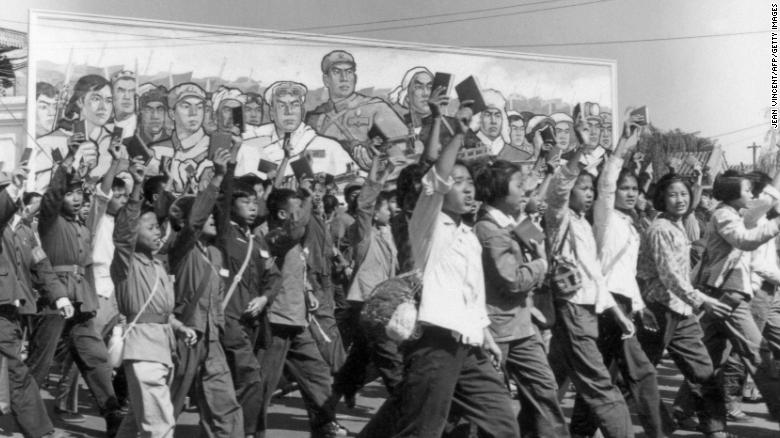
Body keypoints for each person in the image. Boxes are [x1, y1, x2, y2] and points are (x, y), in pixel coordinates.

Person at [361, 110, 519, 438]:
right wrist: (457, 137)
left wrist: (486, 336)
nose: (468, 189)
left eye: (470, 183)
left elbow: (470, 294)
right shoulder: (427, 224)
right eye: (457, 183)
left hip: (469, 344)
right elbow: (434, 180)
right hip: (435, 342)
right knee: (421, 430)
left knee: (502, 423)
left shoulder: (467, 232)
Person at [569, 115, 666, 438]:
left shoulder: (630, 223)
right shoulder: (604, 217)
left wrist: (639, 306)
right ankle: (657, 432)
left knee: (602, 380)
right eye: (624, 188)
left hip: (623, 304)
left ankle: (580, 432)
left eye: (634, 188)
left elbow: (627, 274)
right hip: (605, 305)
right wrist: (623, 146)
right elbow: (607, 183)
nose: (628, 193)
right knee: (643, 376)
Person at [543, 122, 635, 438]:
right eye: (583, 188)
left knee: (548, 385)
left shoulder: (585, 224)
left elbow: (595, 277)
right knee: (601, 387)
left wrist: (618, 314)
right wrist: (579, 154)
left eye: (590, 189)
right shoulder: (560, 219)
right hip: (571, 309)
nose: (589, 193)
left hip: (585, 312)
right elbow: (558, 190)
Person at [33, 142, 124, 436]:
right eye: (70, 193)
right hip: (54, 298)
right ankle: (26, 410)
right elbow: (52, 195)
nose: (74, 198)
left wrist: (113, 165)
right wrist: (69, 160)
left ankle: (111, 411)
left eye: (78, 193)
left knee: (95, 356)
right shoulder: (50, 221)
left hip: (82, 300)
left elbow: (100, 198)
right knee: (41, 361)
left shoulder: (84, 226)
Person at [473, 159, 569, 437]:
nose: (526, 189)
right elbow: (513, 279)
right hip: (497, 329)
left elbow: (544, 249)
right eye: (519, 184)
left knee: (544, 389)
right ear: (500, 191)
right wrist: (539, 265)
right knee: (489, 404)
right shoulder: (489, 230)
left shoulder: (514, 221)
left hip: (523, 325)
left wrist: (541, 256)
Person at [636, 173, 733, 438]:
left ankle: (715, 430)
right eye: (672, 194)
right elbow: (670, 276)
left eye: (684, 194)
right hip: (657, 310)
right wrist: (702, 300)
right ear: (661, 198)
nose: (679, 200)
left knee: (703, 371)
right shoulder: (659, 229)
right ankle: (593, 424)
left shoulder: (678, 224)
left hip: (681, 310)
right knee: (637, 377)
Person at [690, 170, 780, 425]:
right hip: (728, 294)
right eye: (747, 191)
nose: (752, 195)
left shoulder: (738, 213)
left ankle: (682, 411)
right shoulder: (723, 215)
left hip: (729, 293)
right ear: (732, 196)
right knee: (758, 355)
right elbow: (744, 241)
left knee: (708, 356)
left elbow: (768, 199)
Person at [257, 185, 347, 438]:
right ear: (283, 214)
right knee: (264, 384)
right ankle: (251, 430)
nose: (303, 214)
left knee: (317, 372)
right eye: (296, 208)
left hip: (298, 321)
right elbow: (296, 230)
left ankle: (323, 425)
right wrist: (307, 199)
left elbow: (297, 270)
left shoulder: (292, 239)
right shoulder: (271, 235)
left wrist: (307, 291)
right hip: (275, 322)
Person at [112, 157, 193, 438]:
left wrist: (179, 328)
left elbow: (164, 312)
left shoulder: (158, 264)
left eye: (158, 228)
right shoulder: (126, 262)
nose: (157, 232)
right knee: (159, 424)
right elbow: (123, 232)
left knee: (136, 418)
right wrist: (136, 189)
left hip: (162, 345)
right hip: (142, 348)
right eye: (150, 228)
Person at [167, 147, 245, 438]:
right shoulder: (182, 249)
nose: (213, 218)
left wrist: (228, 172)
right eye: (206, 213)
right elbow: (196, 222)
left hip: (211, 336)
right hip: (183, 335)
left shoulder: (214, 253)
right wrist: (216, 178)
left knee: (223, 401)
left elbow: (221, 213)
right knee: (166, 405)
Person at [0, 167, 71, 438]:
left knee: (12, 371)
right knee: (16, 373)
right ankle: (40, 431)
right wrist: (12, 188)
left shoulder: (26, 231)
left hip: (14, 311)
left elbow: (42, 266)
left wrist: (60, 295)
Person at [217, 154, 280, 438]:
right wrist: (228, 168)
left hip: (253, 322)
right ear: (231, 206)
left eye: (256, 203)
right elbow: (223, 195)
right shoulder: (225, 234)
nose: (253, 207)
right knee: (250, 378)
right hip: (229, 317)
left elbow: (274, 276)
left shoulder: (257, 240)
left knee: (234, 381)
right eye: (246, 202)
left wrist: (265, 297)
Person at [330, 153, 401, 409]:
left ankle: (337, 395)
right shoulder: (363, 233)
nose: (391, 211)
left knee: (360, 357)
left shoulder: (390, 233)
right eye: (386, 207)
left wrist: (389, 170)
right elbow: (365, 203)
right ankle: (404, 405)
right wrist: (376, 170)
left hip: (384, 303)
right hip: (366, 302)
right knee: (391, 358)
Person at [307, 50, 408, 171]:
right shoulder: (315, 118)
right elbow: (310, 155)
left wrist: (379, 168)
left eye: (349, 72)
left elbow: (407, 151)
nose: (344, 78)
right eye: (336, 72)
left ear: (355, 78)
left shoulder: (376, 107)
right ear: (326, 80)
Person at [236, 81, 353, 179]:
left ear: (302, 111)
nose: (289, 111)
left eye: (295, 105)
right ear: (272, 113)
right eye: (282, 106)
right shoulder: (250, 148)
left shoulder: (328, 147)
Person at [34, 74, 115, 192]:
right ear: (80, 101)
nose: (103, 107)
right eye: (96, 99)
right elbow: (41, 192)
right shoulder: (49, 142)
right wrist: (75, 161)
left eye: (108, 101)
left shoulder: (112, 143)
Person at [148, 82, 212, 193]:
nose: (194, 113)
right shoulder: (156, 151)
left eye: (199, 107)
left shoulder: (213, 148)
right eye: (186, 106)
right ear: (172, 114)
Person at [389, 66, 456, 158]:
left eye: (430, 87)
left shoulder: (452, 125)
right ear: (407, 97)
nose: (426, 93)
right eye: (419, 87)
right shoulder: (397, 128)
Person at [111, 70, 138, 140]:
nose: (127, 97)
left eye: (132, 91)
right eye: (121, 91)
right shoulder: (105, 127)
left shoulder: (142, 128)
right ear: (112, 95)